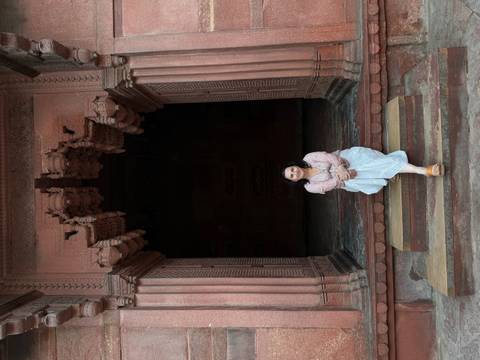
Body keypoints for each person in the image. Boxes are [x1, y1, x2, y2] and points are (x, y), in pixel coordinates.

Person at [283, 147, 444, 195]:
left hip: (347, 159)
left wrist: (339, 166)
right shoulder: (310, 187)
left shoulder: (309, 157)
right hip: (349, 179)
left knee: (381, 163)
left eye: (292, 169)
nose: (294, 173)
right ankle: (418, 171)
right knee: (375, 170)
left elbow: (326, 156)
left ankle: (423, 170)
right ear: (294, 181)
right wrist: (342, 175)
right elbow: (328, 185)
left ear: (294, 166)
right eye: (291, 176)